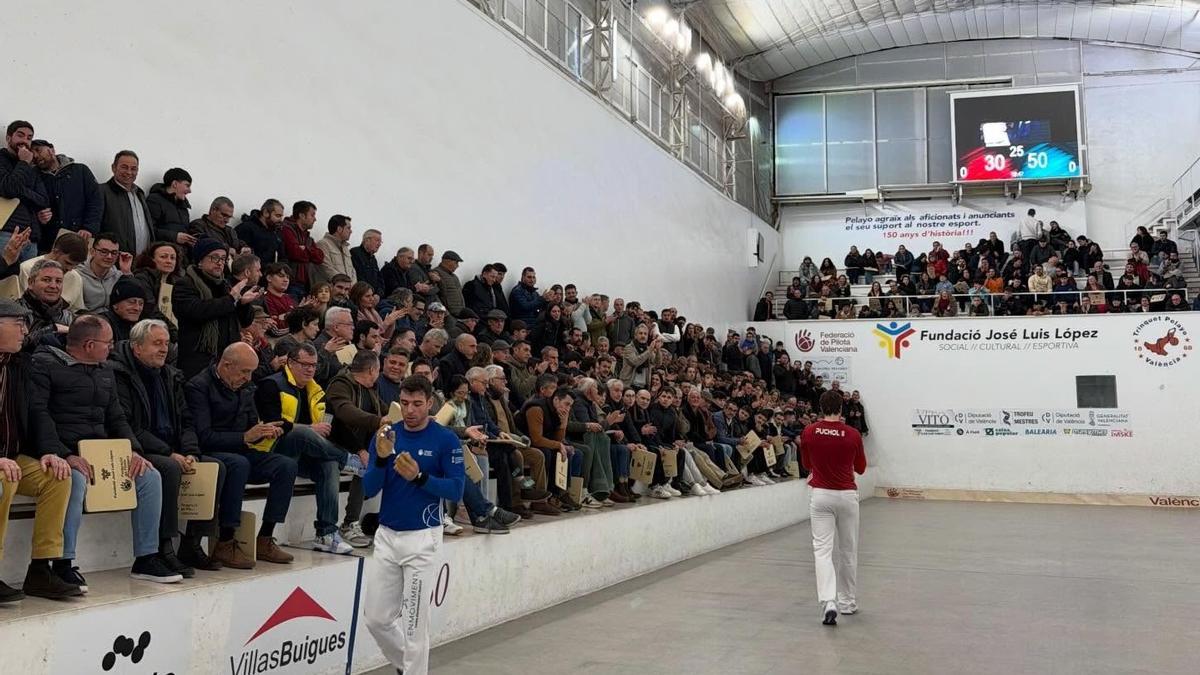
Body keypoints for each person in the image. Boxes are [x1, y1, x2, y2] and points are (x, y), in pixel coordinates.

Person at [28, 316, 181, 587]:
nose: (112, 347)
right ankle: (63, 563)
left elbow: (117, 417)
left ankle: (146, 558)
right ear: (89, 345)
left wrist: (132, 450)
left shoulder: (105, 370)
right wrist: (64, 454)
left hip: (101, 452)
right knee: (73, 479)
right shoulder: (44, 365)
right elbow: (38, 415)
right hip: (64, 452)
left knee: (150, 476)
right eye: (108, 343)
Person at [110, 319, 230, 576]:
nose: (164, 349)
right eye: (157, 343)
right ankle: (164, 547)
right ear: (137, 347)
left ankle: (192, 543)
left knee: (214, 467)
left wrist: (191, 452)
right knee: (168, 468)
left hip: (172, 447)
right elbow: (130, 425)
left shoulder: (171, 375)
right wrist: (169, 453)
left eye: (166, 343)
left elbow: (186, 420)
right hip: (140, 448)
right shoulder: (119, 374)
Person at [363, 375, 465, 675]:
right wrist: (380, 460)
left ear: (430, 403)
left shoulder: (445, 439)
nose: (410, 410)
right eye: (405, 403)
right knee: (376, 619)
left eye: (417, 404)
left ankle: (412, 670)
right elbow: (369, 489)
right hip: (387, 535)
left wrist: (420, 478)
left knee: (414, 625)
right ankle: (404, 665)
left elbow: (456, 490)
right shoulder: (387, 436)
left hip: (422, 538)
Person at [185, 342, 298, 567]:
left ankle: (265, 538)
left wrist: (264, 432)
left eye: (251, 372)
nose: (248, 378)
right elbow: (203, 436)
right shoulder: (198, 386)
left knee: (286, 465)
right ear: (226, 365)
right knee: (238, 464)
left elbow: (251, 426)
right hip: (211, 452)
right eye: (244, 372)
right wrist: (245, 437)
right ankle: (225, 541)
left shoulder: (246, 387)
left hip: (241, 450)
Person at [0, 300, 81, 601]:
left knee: (58, 476)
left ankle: (40, 569)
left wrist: (49, 451)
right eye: (18, 324)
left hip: (13, 456)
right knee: (5, 479)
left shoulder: (21, 365)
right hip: (3, 464)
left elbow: (37, 412)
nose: (24, 331)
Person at [254, 343, 367, 554]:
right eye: (304, 364)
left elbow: (336, 425)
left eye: (313, 365)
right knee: (301, 433)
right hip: (273, 450)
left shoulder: (316, 391)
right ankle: (347, 460)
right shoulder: (271, 384)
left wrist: (360, 450)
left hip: (305, 456)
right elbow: (273, 423)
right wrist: (309, 428)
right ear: (290, 363)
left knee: (329, 464)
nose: (310, 369)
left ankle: (326, 533)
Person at [802, 390, 868, 626]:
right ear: (841, 408)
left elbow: (806, 464)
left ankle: (828, 602)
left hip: (821, 496)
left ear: (821, 408)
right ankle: (847, 602)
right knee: (848, 550)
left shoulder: (809, 431)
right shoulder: (852, 434)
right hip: (847, 496)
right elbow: (861, 468)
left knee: (822, 551)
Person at [173, 238, 261, 378]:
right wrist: (231, 299)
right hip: (199, 361)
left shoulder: (225, 285)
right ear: (200, 260)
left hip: (227, 359)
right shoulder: (185, 284)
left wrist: (243, 304)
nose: (220, 262)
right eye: (214, 257)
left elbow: (245, 321)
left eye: (223, 258)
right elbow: (196, 311)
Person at [328, 349, 386, 548]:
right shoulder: (340, 384)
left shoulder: (370, 390)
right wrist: (360, 449)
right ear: (371, 370)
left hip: (359, 448)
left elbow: (386, 411)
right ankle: (348, 523)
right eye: (378, 370)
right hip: (335, 444)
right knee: (364, 465)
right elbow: (344, 415)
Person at [30, 138, 102, 250]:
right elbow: (29, 207)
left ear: (51, 149)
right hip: (50, 244)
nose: (35, 156)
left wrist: (89, 228)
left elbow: (95, 201)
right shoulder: (34, 177)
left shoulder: (80, 170)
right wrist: (38, 218)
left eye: (38, 150)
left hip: (81, 238)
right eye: (32, 154)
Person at [0, 121, 49, 260]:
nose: (25, 141)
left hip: (30, 238)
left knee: (28, 275)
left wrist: (20, 190)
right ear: (8, 138)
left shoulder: (32, 168)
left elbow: (43, 200)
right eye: (20, 135)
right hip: (5, 234)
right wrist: (23, 162)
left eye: (29, 138)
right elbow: (9, 189)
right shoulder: (2, 159)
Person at [98, 150, 155, 255]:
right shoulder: (101, 191)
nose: (129, 172)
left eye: (133, 169)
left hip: (142, 259)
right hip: (115, 258)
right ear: (113, 168)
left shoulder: (140, 194)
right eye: (124, 167)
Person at [18, 232, 87, 308]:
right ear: (55, 252)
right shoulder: (27, 268)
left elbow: (77, 310)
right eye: (68, 263)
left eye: (75, 265)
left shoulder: (76, 278)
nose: (70, 269)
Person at [19, 258, 74, 350]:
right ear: (31, 283)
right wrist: (52, 329)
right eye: (46, 280)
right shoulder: (16, 313)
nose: (53, 286)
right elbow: (14, 345)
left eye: (58, 281)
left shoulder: (68, 317)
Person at [146, 168, 197, 247]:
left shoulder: (184, 207)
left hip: (180, 253)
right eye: (187, 185)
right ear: (175, 184)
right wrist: (175, 237)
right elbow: (149, 230)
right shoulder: (154, 200)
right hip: (162, 251)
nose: (190, 191)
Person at [281, 200, 324, 297]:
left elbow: (320, 257)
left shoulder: (308, 238)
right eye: (312, 215)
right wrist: (310, 252)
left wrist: (305, 249)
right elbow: (295, 253)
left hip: (306, 285)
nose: (315, 219)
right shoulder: (286, 229)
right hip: (290, 283)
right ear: (302, 216)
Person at [235, 198, 284, 265]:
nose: (281, 220)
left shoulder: (276, 232)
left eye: (281, 216)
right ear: (265, 213)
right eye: (277, 216)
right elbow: (243, 258)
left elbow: (282, 255)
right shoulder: (246, 228)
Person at [316, 214, 356, 285]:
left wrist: (352, 285)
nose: (351, 231)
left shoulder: (346, 248)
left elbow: (352, 270)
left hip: (347, 289)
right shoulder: (323, 244)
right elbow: (326, 268)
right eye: (348, 228)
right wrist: (344, 284)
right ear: (339, 229)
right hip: (331, 289)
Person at [352, 229, 384, 296]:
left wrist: (378, 294)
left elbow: (380, 279)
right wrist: (370, 294)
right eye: (377, 240)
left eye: (380, 242)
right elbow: (359, 277)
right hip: (361, 295)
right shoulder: (355, 253)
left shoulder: (373, 259)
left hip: (374, 296)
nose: (379, 244)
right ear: (367, 240)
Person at [434, 250, 465, 316]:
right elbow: (435, 296)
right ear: (447, 261)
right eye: (456, 262)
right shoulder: (436, 273)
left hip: (460, 314)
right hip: (447, 315)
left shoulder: (455, 277)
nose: (457, 266)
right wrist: (445, 313)